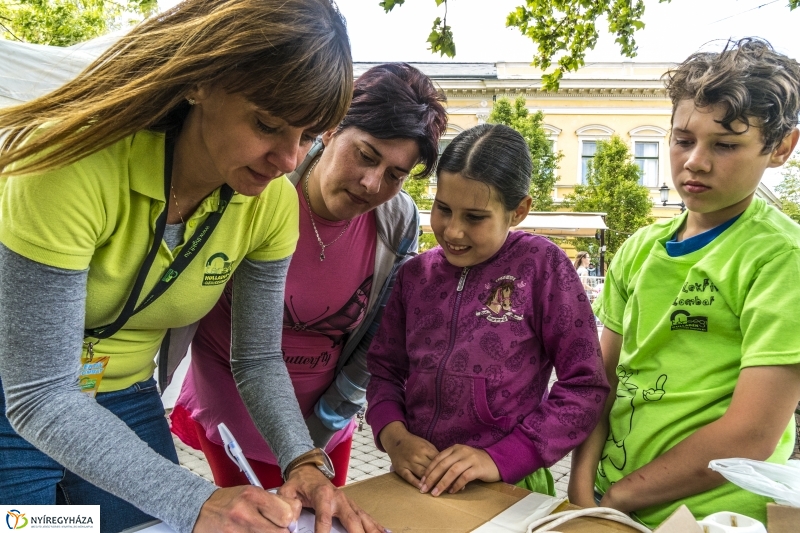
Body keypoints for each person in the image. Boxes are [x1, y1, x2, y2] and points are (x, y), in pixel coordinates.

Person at [0, 1, 384, 532]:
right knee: (31, 525)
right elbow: (40, 396)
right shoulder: (66, 165)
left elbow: (255, 358)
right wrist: (198, 500)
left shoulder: (269, 203)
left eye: (309, 135)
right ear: (200, 81)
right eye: (268, 124)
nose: (290, 161)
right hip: (17, 396)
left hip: (124, 395)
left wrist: (302, 460)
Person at [170, 63, 448, 488]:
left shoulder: (399, 219)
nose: (372, 184)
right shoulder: (259, 182)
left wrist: (325, 423)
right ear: (332, 129)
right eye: (366, 156)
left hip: (327, 419)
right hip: (235, 410)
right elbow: (251, 352)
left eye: (396, 175)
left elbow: (377, 336)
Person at [568, 38, 800, 528]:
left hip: (716, 516)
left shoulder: (782, 258)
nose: (695, 161)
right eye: (682, 139)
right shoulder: (638, 248)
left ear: (780, 148)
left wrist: (621, 495)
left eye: (726, 144)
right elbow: (600, 380)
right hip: (612, 503)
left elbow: (751, 434)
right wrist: (582, 482)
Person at [365, 124, 610, 499]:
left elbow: (585, 386)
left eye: (475, 217)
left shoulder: (542, 268)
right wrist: (394, 436)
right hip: (414, 481)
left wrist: (503, 458)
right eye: (443, 209)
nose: (453, 231)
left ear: (519, 211)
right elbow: (384, 369)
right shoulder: (415, 275)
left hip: (508, 484)